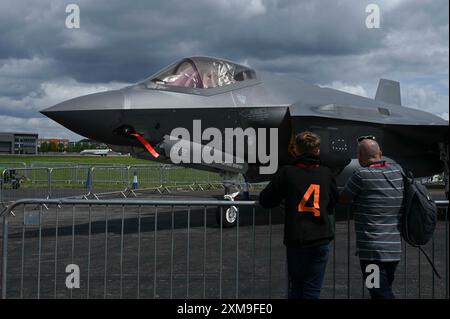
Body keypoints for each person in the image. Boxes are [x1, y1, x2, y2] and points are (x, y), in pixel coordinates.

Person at [259, 131, 339, 299]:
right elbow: (334, 201)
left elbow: (266, 200)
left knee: (296, 288)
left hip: (297, 239)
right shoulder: (326, 173)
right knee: (312, 290)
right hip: (321, 238)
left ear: (295, 150)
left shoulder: (287, 172)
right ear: (317, 151)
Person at [340, 136, 404, 299]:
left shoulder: (361, 175)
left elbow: (344, 198)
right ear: (380, 153)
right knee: (384, 288)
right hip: (393, 250)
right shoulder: (397, 171)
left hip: (372, 253)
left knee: (377, 292)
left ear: (360, 157)